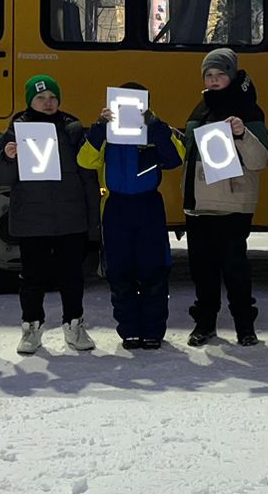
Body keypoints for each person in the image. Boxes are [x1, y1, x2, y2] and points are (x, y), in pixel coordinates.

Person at [0, 75, 102, 355]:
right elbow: (0, 177)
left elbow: (88, 176)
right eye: (40, 98)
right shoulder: (16, 130)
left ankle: (74, 324)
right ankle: (31, 327)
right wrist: (8, 157)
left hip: (70, 217)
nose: (48, 102)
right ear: (30, 100)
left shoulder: (73, 129)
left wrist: (92, 223)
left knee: (72, 277)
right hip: (32, 219)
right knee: (32, 278)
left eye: (52, 97)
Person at [77, 82, 182, 351]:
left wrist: (155, 124)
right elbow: (85, 160)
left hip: (148, 207)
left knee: (154, 270)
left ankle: (153, 331)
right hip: (116, 208)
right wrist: (100, 126)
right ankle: (129, 331)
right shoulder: (106, 130)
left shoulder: (156, 128)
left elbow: (174, 159)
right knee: (120, 273)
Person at [182, 48, 268, 348]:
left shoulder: (249, 110)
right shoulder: (199, 109)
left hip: (232, 206)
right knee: (203, 272)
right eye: (209, 75)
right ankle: (204, 324)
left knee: (235, 271)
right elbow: (189, 153)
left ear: (232, 76)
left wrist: (243, 133)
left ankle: (245, 327)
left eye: (221, 74)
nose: (215, 80)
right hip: (199, 206)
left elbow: (261, 160)